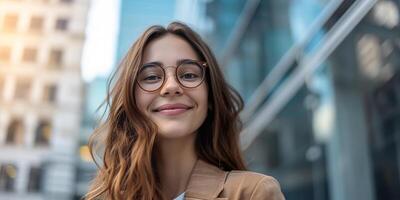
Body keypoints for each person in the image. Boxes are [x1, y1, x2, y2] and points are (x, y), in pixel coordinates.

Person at [85, 21, 285, 200]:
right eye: (152, 77)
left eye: (189, 75)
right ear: (131, 101)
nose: (171, 86)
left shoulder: (252, 193)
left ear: (210, 97)